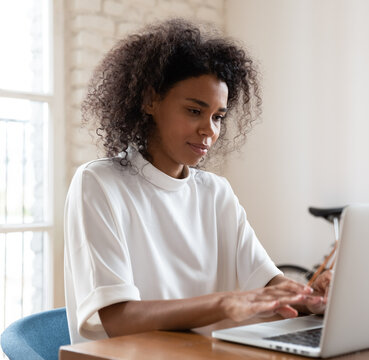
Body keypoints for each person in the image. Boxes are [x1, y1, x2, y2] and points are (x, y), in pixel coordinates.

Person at [64, 18, 332, 344]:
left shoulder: (215, 193)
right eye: (194, 111)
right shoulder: (99, 183)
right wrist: (222, 303)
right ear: (150, 101)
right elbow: (118, 318)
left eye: (218, 116)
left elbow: (268, 286)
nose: (210, 130)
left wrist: (312, 298)